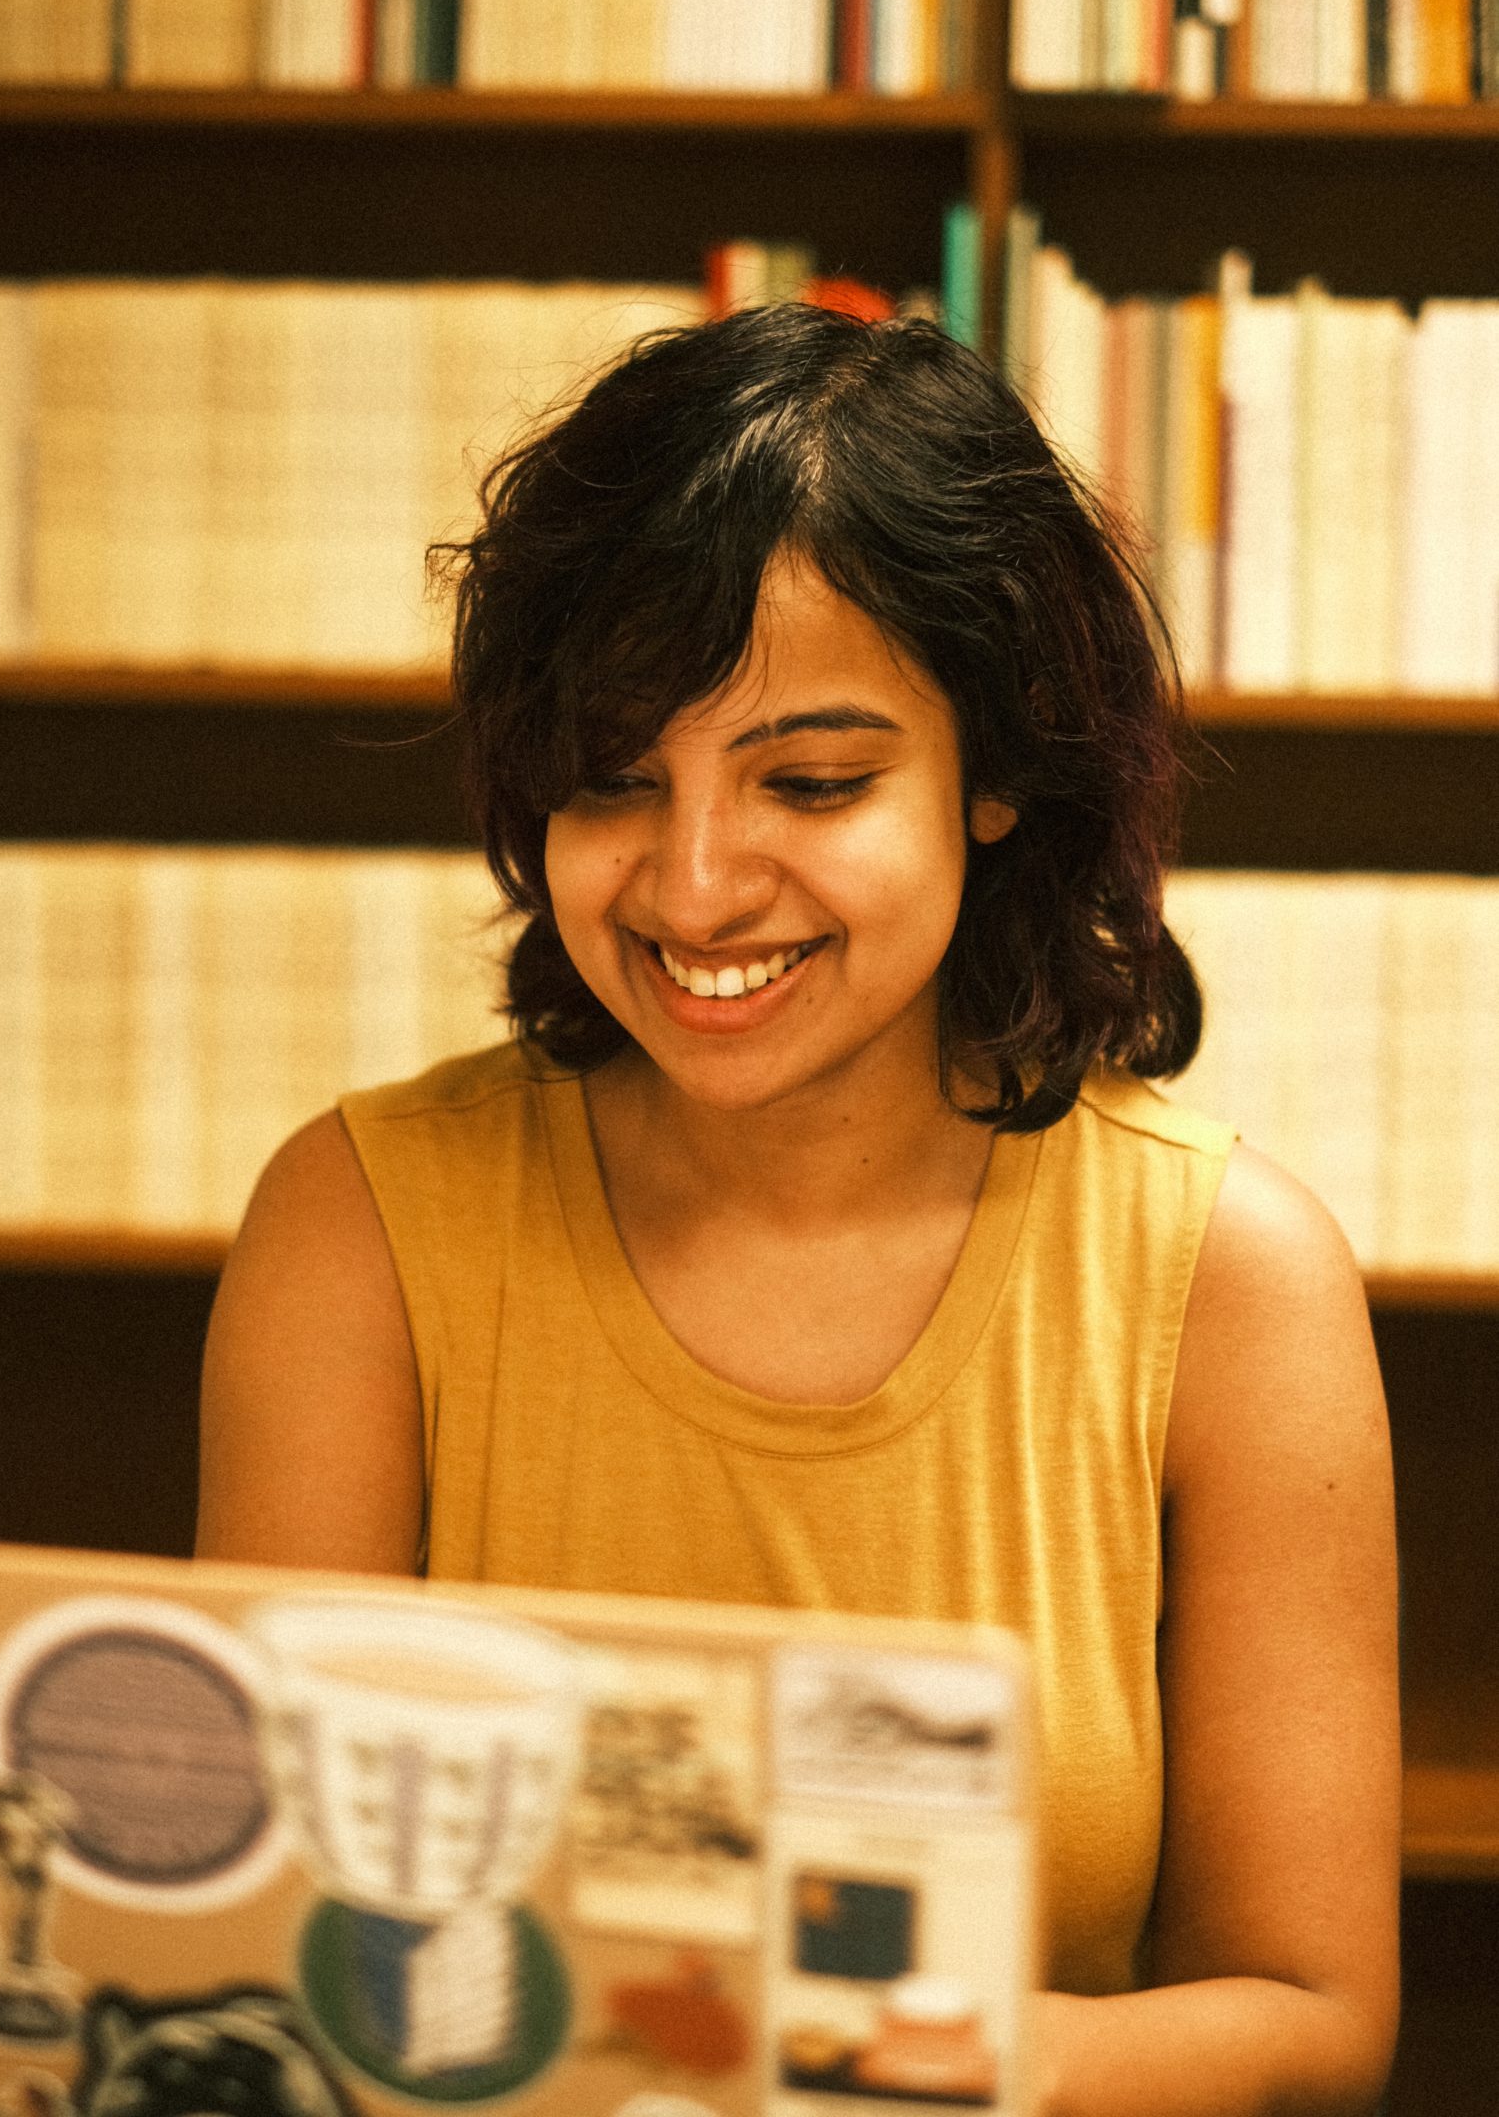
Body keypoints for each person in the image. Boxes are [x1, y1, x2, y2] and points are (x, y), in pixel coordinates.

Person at [198, 305, 1398, 2117]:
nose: (692, 887)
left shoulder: (1229, 1278)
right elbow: (254, 1935)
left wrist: (941, 2068)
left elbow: (1314, 2024)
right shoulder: (357, 1227)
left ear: (995, 776)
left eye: (814, 782)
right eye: (616, 783)